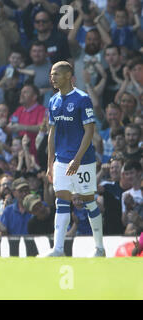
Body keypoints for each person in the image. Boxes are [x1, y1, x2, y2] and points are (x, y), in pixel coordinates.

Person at [44, 61, 105, 257]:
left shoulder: (82, 99)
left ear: (69, 77)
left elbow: (89, 131)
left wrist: (78, 159)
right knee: (61, 200)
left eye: (56, 74)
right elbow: (51, 133)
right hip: (61, 161)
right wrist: (49, 164)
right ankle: (58, 249)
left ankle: (99, 248)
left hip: (83, 160)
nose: (52, 77)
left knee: (88, 201)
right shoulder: (53, 101)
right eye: (51, 74)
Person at [6, 84, 46, 159]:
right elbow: (10, 127)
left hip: (35, 154)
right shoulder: (19, 110)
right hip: (18, 153)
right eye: (21, 92)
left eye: (25, 92)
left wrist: (22, 127)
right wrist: (3, 127)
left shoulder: (42, 110)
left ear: (34, 97)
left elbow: (43, 127)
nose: (21, 95)